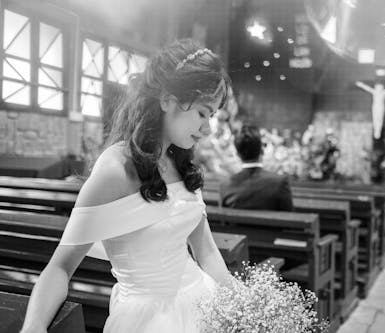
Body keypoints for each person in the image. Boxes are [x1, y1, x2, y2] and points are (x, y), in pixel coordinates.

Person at [21, 39, 233, 333]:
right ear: (167, 100)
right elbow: (60, 267)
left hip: (201, 300)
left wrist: (239, 304)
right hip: (150, 320)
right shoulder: (115, 170)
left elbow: (206, 250)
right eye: (201, 112)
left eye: (211, 116)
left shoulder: (179, 160)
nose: (208, 128)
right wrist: (34, 327)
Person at [220, 125, 293, 211]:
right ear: (262, 150)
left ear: (237, 154)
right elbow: (288, 214)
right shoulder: (280, 182)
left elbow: (224, 222)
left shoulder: (225, 185)